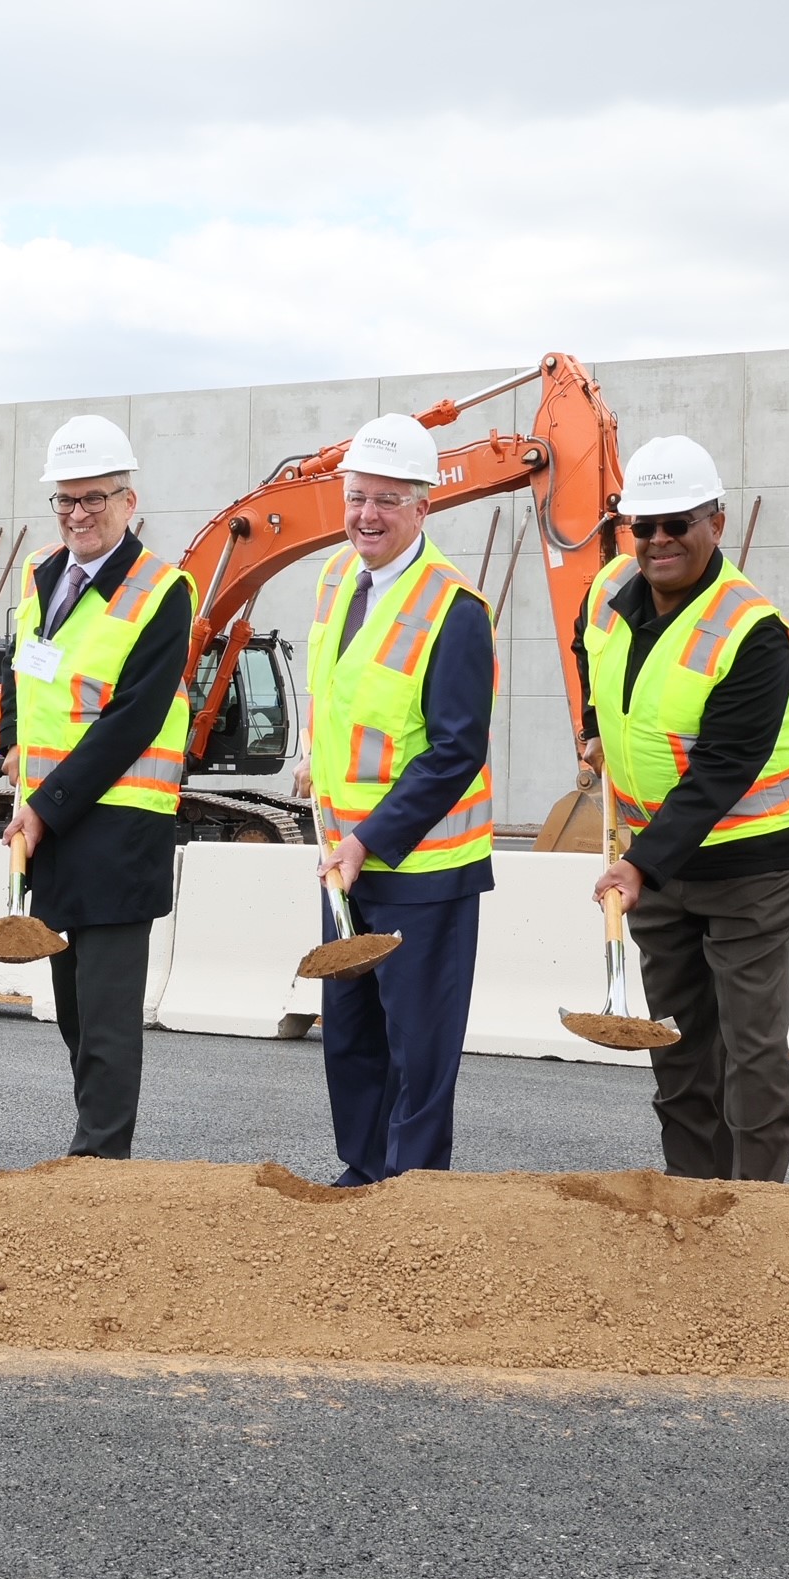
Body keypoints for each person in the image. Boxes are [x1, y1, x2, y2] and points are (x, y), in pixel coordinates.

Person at [575, 434, 789, 1182]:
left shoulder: (753, 633)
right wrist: (593, 726)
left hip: (753, 867)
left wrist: (636, 866)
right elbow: (590, 652)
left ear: (717, 520)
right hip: (656, 863)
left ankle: (754, 1212)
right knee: (679, 1049)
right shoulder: (608, 592)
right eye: (642, 526)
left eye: (677, 523)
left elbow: (722, 770)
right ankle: (692, 1196)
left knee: (749, 1055)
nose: (657, 541)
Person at [297, 414, 497, 1185]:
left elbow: (456, 750)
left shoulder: (454, 609)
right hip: (344, 859)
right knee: (350, 1032)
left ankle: (413, 1187)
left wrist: (369, 838)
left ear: (424, 508)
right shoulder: (334, 582)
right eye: (356, 499)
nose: (366, 516)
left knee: (419, 1041)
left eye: (386, 499)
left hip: (423, 866)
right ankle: (362, 1169)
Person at [0, 414, 197, 1159]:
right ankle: (94, 1143)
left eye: (94, 499)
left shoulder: (162, 591)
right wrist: (12, 749)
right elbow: (22, 672)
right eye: (65, 500)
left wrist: (46, 807)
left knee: (108, 1014)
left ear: (128, 501)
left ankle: (99, 1158)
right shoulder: (40, 574)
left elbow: (131, 721)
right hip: (50, 819)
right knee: (73, 1007)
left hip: (118, 825)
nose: (77, 514)